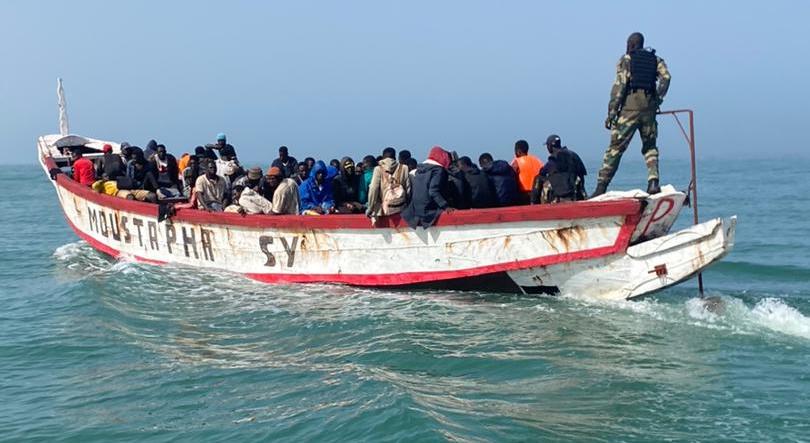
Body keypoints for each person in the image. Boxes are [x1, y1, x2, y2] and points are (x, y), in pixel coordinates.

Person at [594, 32, 671, 196]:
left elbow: (620, 86)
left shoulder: (626, 60)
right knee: (650, 147)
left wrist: (612, 111)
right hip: (649, 109)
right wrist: (657, 100)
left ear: (631, 45)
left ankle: (601, 187)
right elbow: (666, 77)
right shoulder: (656, 60)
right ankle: (653, 182)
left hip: (629, 109)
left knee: (615, 148)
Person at [401, 146, 454, 229]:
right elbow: (433, 191)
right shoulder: (438, 170)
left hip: (414, 212)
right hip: (428, 211)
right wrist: (445, 206)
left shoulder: (419, 169)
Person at [532, 134, 588, 204]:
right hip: (575, 190)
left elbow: (542, 173)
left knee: (538, 178)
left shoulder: (553, 159)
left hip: (559, 193)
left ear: (550, 146)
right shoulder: (574, 155)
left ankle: (534, 204)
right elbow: (582, 174)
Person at [366, 147, 410, 220]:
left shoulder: (378, 169)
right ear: (395, 157)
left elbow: (373, 189)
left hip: (384, 210)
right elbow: (408, 190)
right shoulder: (404, 168)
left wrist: (370, 208)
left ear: (383, 157)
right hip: (401, 209)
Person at [511, 140, 543, 204]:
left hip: (523, 195)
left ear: (518, 151)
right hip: (538, 194)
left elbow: (510, 179)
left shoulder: (516, 162)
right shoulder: (538, 160)